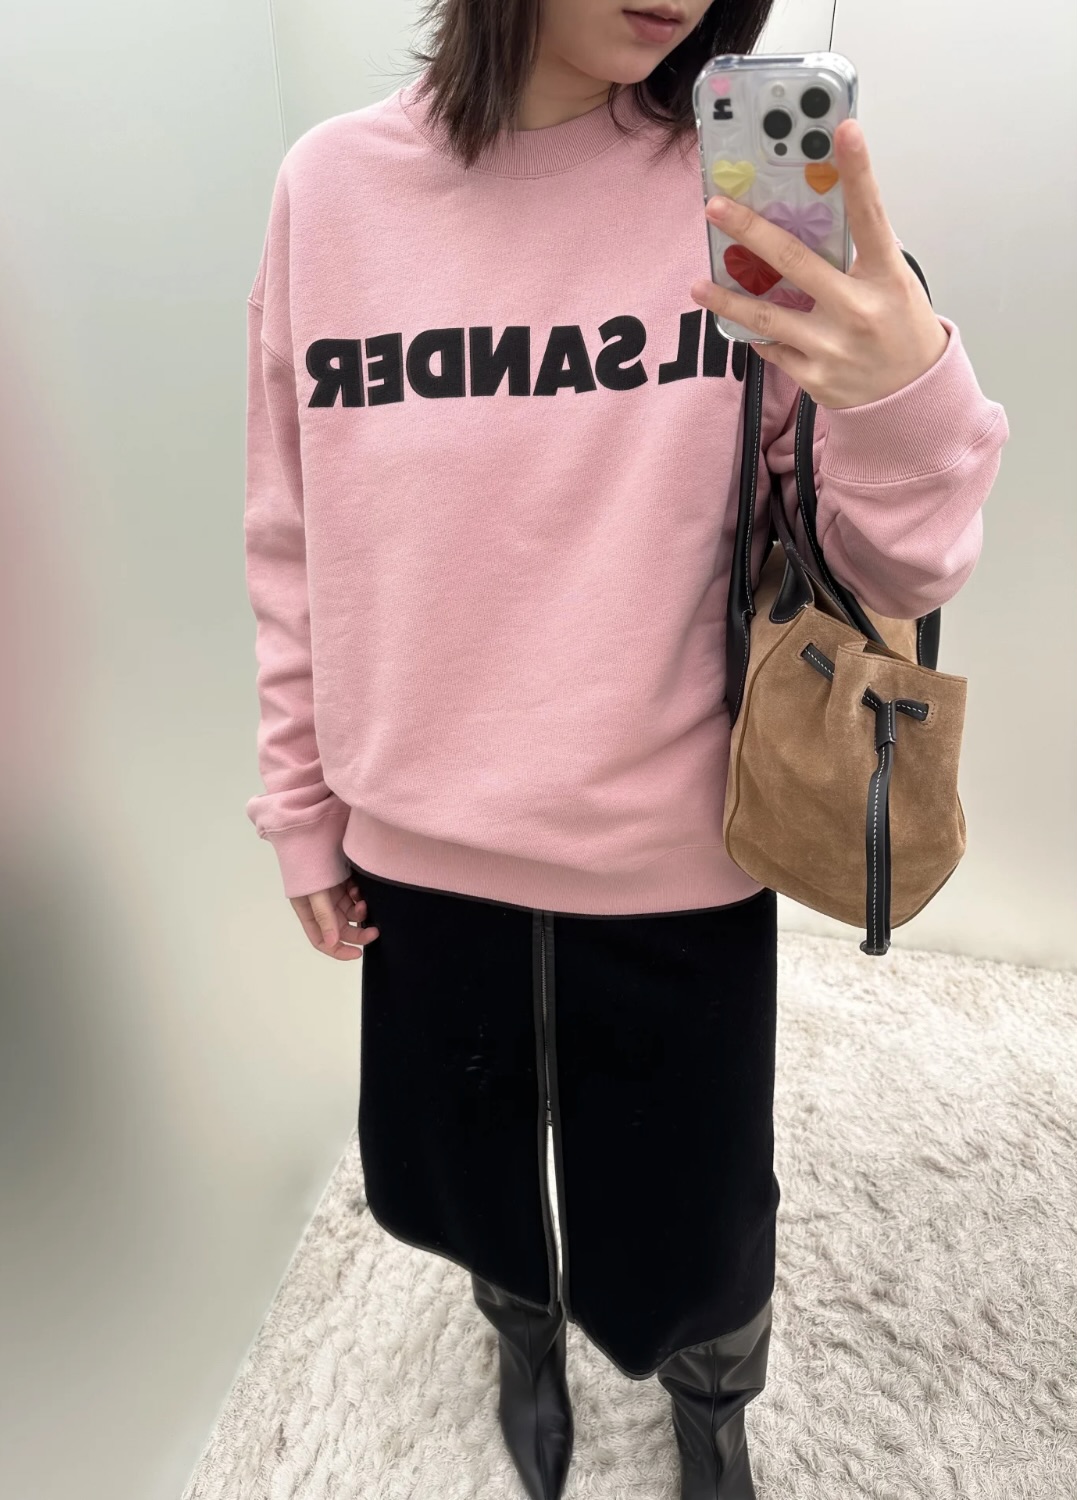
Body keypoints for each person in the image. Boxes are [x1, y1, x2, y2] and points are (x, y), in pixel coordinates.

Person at [241, 3, 1009, 1496]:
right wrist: (298, 802)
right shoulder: (330, 190)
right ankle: (519, 1336)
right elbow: (293, 532)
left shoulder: (736, 191)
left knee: (694, 1220)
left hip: (678, 850)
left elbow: (881, 572)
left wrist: (900, 392)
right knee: (467, 1171)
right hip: (418, 846)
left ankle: (713, 1405)